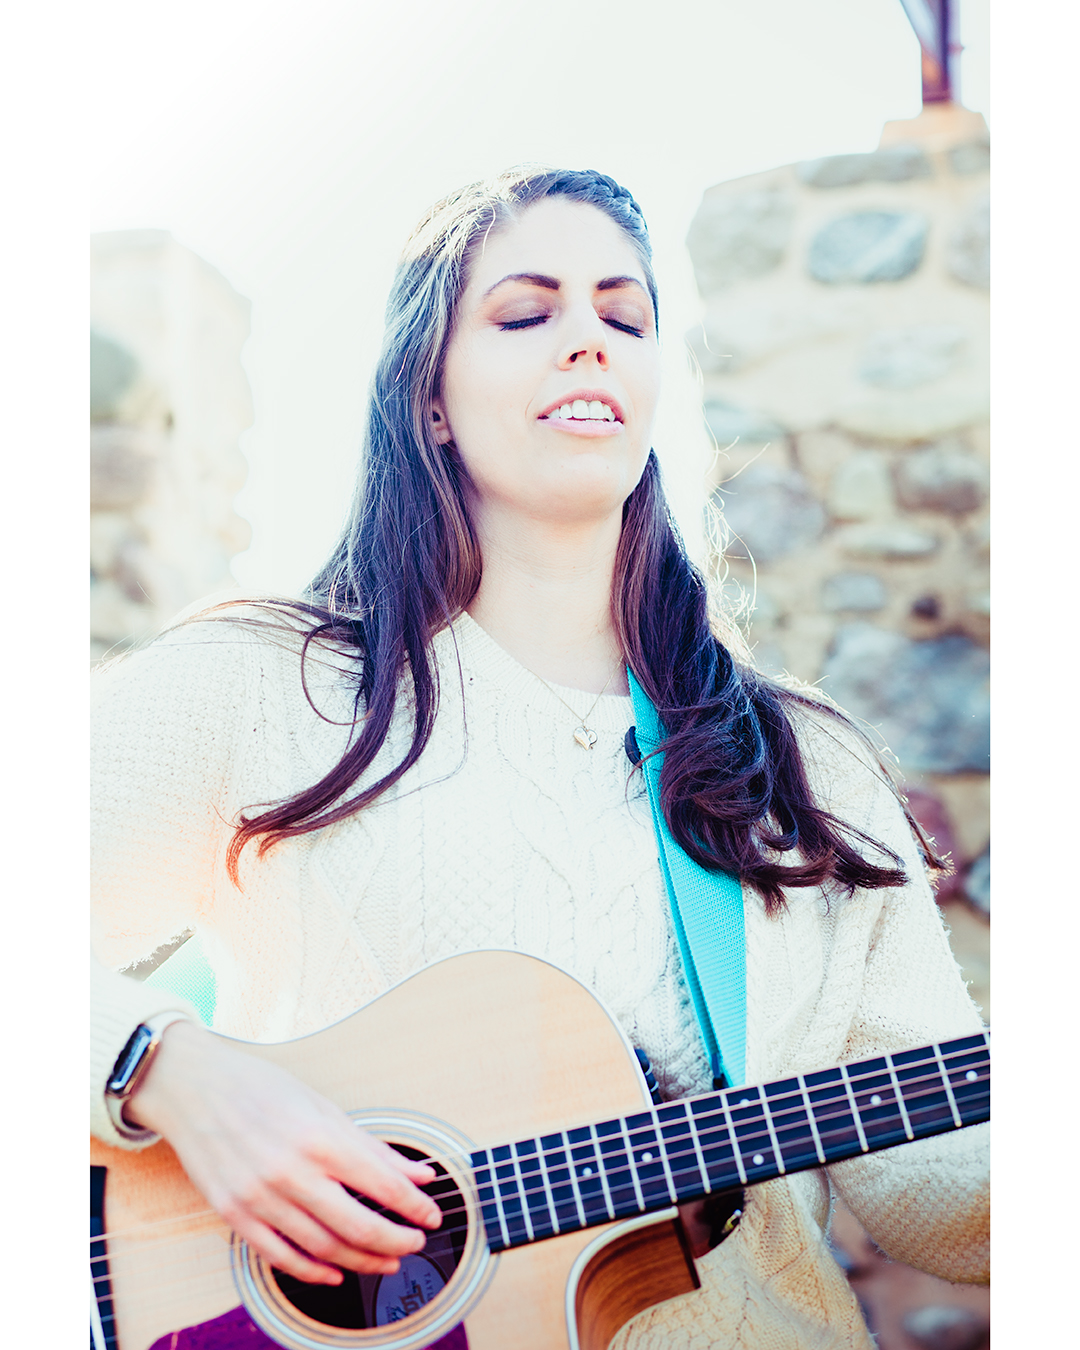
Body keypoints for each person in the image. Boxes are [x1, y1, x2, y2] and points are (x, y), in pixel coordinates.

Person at [91, 166, 988, 1349]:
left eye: (626, 316)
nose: (587, 343)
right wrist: (162, 1067)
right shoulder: (261, 685)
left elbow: (938, 1188)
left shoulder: (807, 766)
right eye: (526, 314)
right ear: (430, 400)